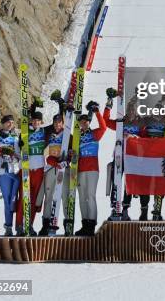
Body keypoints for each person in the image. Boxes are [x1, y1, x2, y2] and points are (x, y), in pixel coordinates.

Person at [104, 92, 149, 221]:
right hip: (119, 156)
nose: (131, 112)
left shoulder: (141, 123)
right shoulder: (121, 122)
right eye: (129, 110)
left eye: (133, 110)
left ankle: (126, 208)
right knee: (116, 180)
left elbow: (145, 139)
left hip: (134, 158)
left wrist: (133, 137)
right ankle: (115, 207)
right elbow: (106, 121)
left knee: (132, 182)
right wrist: (108, 105)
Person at [74, 101, 107, 236]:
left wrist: (96, 112)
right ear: (79, 124)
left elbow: (104, 127)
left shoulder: (94, 134)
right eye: (82, 122)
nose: (84, 123)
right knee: (82, 197)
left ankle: (92, 225)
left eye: (86, 121)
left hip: (93, 169)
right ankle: (85, 224)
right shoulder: (77, 137)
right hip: (80, 170)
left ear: (89, 122)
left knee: (90, 196)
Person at [16, 100, 46, 236]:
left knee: (33, 199)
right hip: (26, 169)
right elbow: (17, 146)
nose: (35, 122)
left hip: (39, 170)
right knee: (23, 197)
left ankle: (30, 225)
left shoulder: (45, 132)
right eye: (33, 120)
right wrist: (20, 145)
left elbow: (60, 127)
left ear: (41, 122)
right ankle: (19, 225)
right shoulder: (25, 131)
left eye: (38, 121)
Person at [39, 113, 72, 235]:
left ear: (63, 123)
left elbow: (73, 153)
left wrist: (67, 161)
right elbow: (46, 155)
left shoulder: (68, 135)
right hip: (51, 169)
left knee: (64, 197)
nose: (57, 125)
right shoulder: (50, 135)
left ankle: (68, 225)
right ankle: (46, 225)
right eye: (55, 123)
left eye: (59, 123)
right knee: (48, 197)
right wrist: (54, 162)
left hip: (64, 170)